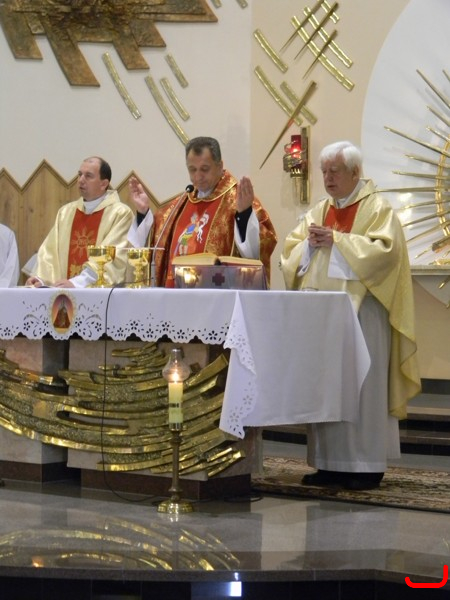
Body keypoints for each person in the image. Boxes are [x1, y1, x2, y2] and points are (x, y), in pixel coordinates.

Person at [280, 140, 421, 491]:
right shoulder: (319, 209)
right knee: (326, 386)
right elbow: (290, 253)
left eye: (335, 171)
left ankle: (365, 466)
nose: (328, 178)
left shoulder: (377, 209)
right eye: (324, 172)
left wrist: (338, 241)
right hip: (324, 317)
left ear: (355, 172)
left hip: (364, 314)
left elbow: (386, 254)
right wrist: (309, 245)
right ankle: (329, 463)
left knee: (362, 387)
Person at [127, 136, 277, 287]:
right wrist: (142, 213)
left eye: (205, 169)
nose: (198, 176)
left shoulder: (239, 199)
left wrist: (244, 215)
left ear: (220, 166)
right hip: (175, 294)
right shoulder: (181, 203)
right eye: (192, 170)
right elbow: (154, 245)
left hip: (217, 294)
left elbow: (259, 249)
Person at [26, 156, 134, 288]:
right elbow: (50, 252)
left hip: (99, 295)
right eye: (80, 174)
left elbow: (113, 259)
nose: (81, 180)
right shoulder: (66, 212)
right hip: (62, 294)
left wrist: (77, 283)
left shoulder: (120, 214)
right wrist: (41, 279)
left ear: (104, 184)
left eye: (88, 176)